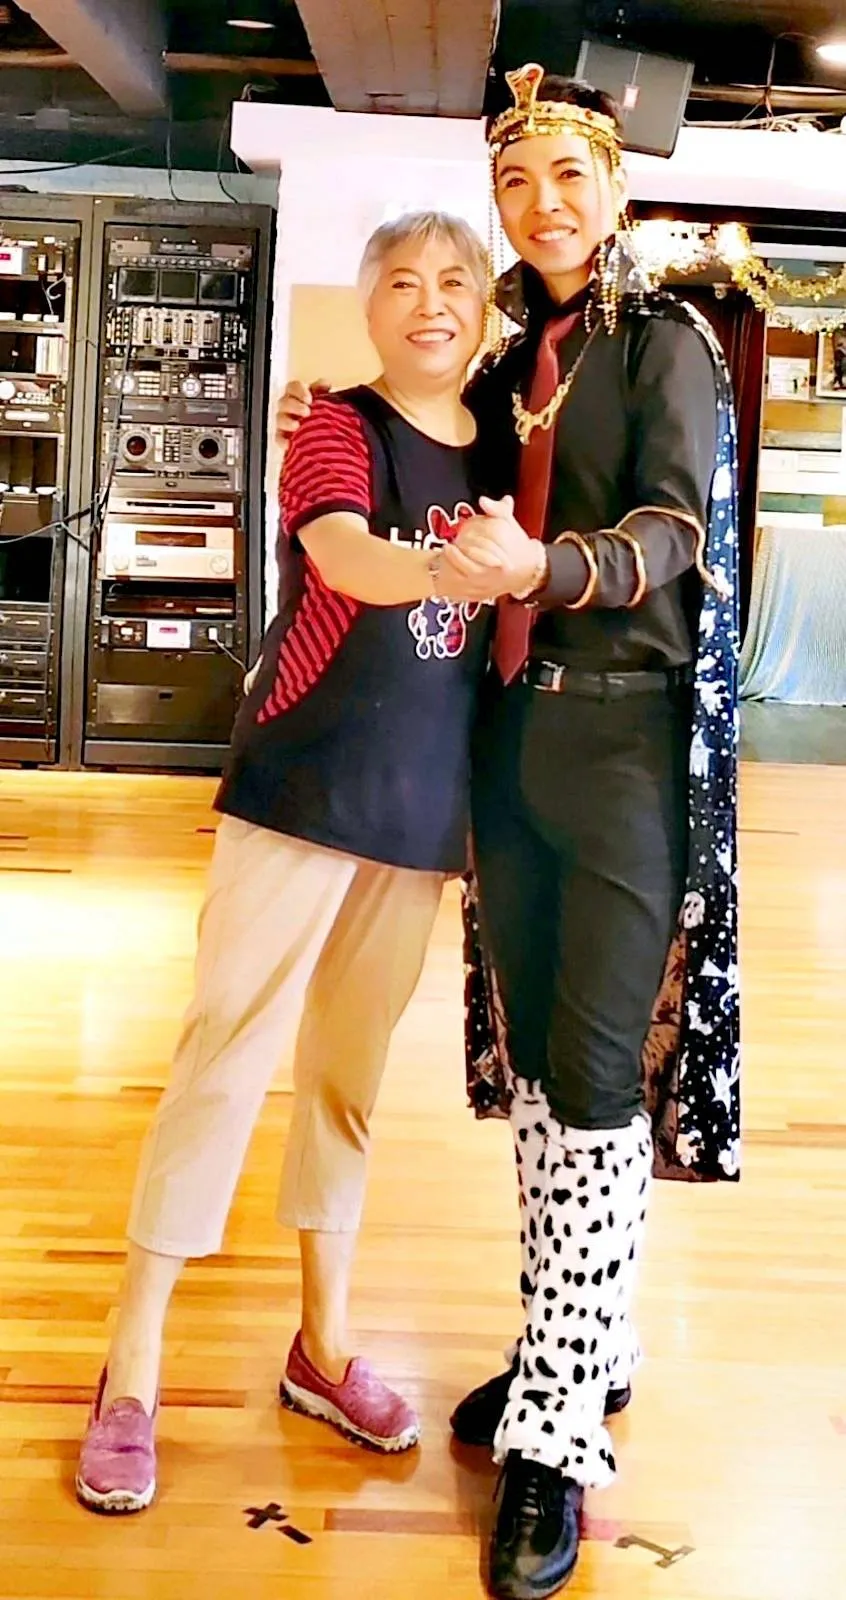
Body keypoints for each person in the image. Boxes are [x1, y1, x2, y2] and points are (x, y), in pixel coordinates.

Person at [278, 68, 740, 1600]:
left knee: (597, 1076)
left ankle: (557, 1435)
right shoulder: (500, 362)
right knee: (539, 1071)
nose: (542, 202)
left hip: (619, 742)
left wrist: (547, 566)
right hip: (506, 742)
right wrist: (326, 422)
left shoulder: (665, 341)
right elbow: (420, 468)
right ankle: (574, 1347)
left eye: (566, 175)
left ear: (614, 188)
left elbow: (675, 528)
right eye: (517, 181)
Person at [75, 210, 523, 1516]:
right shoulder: (333, 425)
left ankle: (323, 1350)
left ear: (482, 309)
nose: (429, 302)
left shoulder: (504, 449)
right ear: (368, 305)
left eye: (454, 282)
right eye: (403, 282)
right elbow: (343, 554)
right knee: (222, 1059)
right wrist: (458, 564)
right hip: (299, 788)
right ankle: (131, 1369)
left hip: (420, 816)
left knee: (345, 1087)